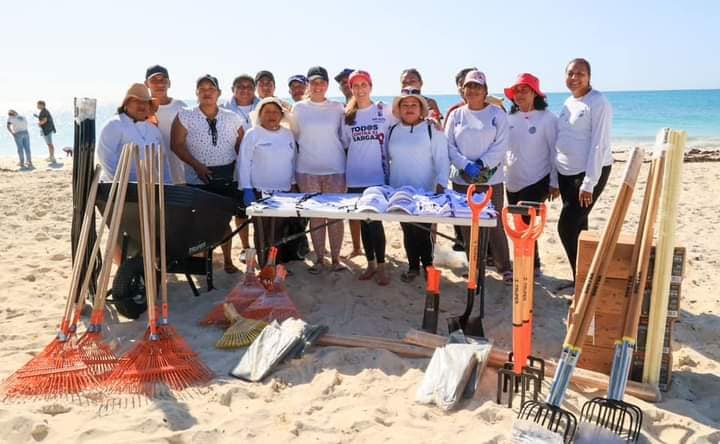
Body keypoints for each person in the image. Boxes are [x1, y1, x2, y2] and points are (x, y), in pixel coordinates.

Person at [171, 74, 244, 273]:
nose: (206, 92)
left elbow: (242, 146)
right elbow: (176, 145)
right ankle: (202, 262)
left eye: (211, 89)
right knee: (200, 223)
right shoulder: (185, 115)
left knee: (223, 221)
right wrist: (197, 166)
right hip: (198, 177)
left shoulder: (232, 117)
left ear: (218, 93)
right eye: (202, 89)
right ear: (196, 93)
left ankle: (228, 261)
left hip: (226, 176)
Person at [446, 70, 513, 285]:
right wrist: (465, 165)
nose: (473, 90)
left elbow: (501, 144)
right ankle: (475, 266)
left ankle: (504, 267)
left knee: (493, 223)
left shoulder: (497, 114)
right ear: (462, 90)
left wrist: (482, 164)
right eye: (469, 86)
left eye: (478, 86)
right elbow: (448, 145)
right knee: (467, 224)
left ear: (485, 90)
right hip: (461, 179)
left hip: (490, 180)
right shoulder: (456, 115)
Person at [555, 58, 613, 282]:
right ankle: (581, 279)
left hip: (588, 173)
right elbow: (562, 138)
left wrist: (589, 183)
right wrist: (555, 177)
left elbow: (599, 144)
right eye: (570, 73)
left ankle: (583, 280)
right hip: (566, 174)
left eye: (580, 74)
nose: (574, 78)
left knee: (566, 227)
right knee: (579, 227)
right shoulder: (568, 102)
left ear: (589, 77)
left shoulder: (598, 102)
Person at [387, 89, 450, 282]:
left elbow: (442, 160)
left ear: (421, 108)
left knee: (423, 230)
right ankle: (413, 267)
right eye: (405, 105)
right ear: (398, 109)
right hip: (399, 189)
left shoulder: (432, 130)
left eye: (414, 105)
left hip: (426, 191)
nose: (409, 108)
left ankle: (428, 266)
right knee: (407, 229)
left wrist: (441, 184)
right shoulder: (392, 130)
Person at [292, 66, 347, 274]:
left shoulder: (337, 108)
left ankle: (335, 259)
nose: (318, 86)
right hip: (307, 169)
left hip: (335, 169)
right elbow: (295, 137)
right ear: (308, 84)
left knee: (334, 216)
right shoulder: (298, 108)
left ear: (327, 85)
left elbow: (344, 137)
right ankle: (319, 260)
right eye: (313, 82)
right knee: (315, 216)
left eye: (322, 82)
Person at [341, 70, 393, 285]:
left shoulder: (383, 110)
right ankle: (370, 264)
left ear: (370, 86)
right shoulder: (347, 115)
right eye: (356, 85)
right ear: (351, 88)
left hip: (377, 176)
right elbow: (345, 144)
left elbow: (408, 120)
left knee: (376, 223)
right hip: (355, 176)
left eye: (364, 84)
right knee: (364, 222)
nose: (360, 89)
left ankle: (381, 267)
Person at [504, 73, 558, 274]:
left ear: (535, 93)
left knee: (527, 223)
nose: (519, 94)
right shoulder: (508, 118)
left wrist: (555, 181)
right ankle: (526, 261)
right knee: (517, 224)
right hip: (512, 180)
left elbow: (554, 150)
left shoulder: (548, 118)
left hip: (538, 178)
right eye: (516, 91)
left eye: (524, 90)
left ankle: (531, 266)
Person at [238, 97, 297, 266]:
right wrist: (247, 189)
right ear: (260, 115)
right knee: (262, 231)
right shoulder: (253, 134)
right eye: (267, 112)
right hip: (259, 191)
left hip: (284, 191)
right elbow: (244, 162)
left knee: (279, 230)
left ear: (281, 115)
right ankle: (265, 265)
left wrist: (293, 184)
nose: (271, 115)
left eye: (275, 112)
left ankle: (277, 264)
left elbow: (293, 160)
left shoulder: (287, 134)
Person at [96, 83, 168, 183]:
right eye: (136, 101)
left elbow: (162, 162)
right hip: (116, 191)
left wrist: (167, 186)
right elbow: (105, 158)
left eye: (145, 102)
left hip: (148, 191)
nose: (142, 105)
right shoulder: (113, 125)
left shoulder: (154, 131)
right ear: (126, 104)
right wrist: (120, 184)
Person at [223, 73, 260, 257]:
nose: (245, 90)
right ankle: (245, 247)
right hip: (236, 169)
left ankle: (262, 247)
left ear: (254, 89)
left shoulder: (264, 106)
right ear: (233, 89)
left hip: (262, 169)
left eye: (249, 86)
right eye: (240, 86)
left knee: (262, 213)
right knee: (241, 212)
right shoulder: (223, 109)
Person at [334, 67, 363, 258]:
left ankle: (368, 248)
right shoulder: (339, 108)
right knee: (352, 208)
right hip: (343, 162)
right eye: (342, 82)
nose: (345, 85)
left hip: (365, 164)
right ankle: (356, 246)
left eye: (348, 81)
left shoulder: (369, 105)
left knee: (368, 210)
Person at [144, 65, 187, 185]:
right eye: (154, 81)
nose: (159, 84)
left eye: (163, 80)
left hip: (179, 176)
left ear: (169, 83)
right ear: (146, 84)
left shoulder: (181, 107)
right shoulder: (139, 108)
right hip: (149, 179)